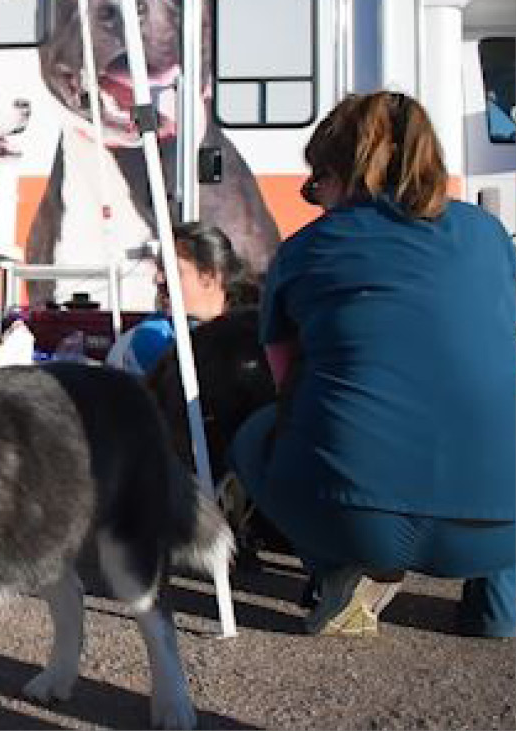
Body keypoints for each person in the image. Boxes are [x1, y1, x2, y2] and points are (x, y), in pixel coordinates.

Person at [229, 91, 516, 639]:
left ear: (341, 173)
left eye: (317, 181)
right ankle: (498, 613)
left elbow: (288, 383)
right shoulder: (487, 234)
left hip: (356, 519)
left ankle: (338, 571)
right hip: (499, 526)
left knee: (256, 434)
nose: (313, 196)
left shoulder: (304, 250)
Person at [106, 221, 258, 375]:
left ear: (209, 275)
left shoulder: (255, 332)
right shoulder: (150, 338)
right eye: (159, 269)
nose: (157, 279)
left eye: (171, 270)